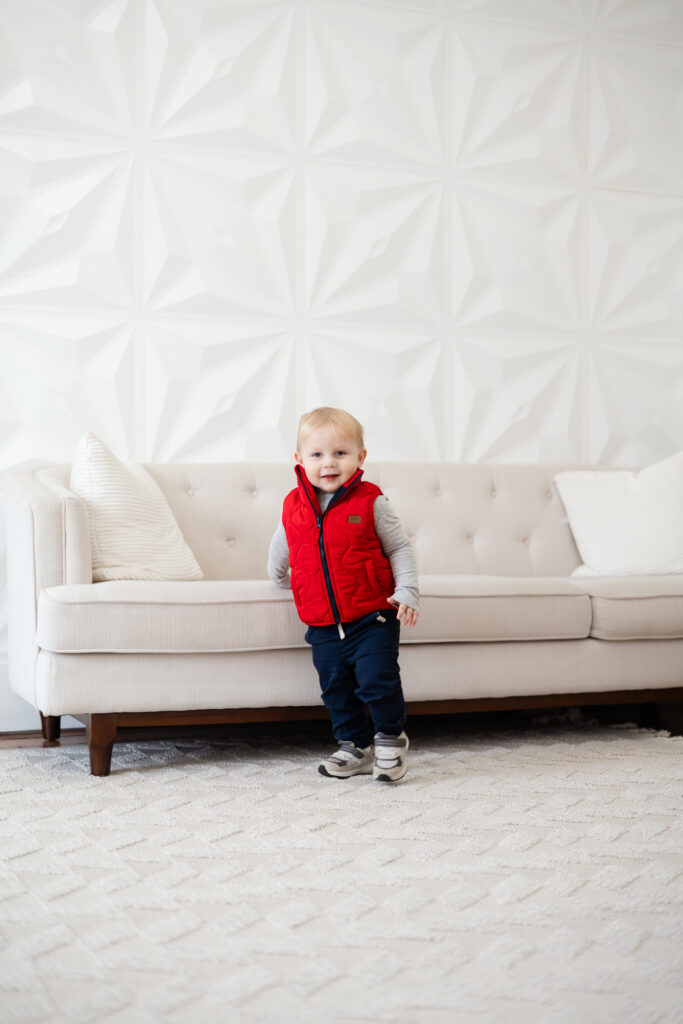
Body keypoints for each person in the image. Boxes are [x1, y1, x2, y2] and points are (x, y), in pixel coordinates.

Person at [268, 407, 419, 782]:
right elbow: (283, 543)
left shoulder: (371, 501)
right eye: (317, 455)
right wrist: (279, 576)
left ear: (360, 457)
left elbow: (399, 547)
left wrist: (407, 591)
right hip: (322, 623)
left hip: (373, 616)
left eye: (340, 453)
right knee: (335, 689)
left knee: (377, 680)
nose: (329, 463)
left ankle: (389, 740)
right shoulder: (293, 505)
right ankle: (354, 746)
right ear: (300, 460)